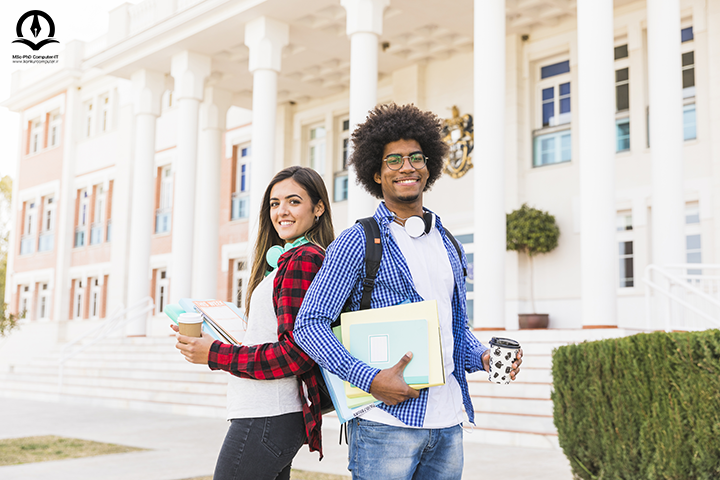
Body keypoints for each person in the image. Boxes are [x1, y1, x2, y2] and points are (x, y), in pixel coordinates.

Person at [294, 103, 523, 480]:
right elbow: (309, 324)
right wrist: (369, 379)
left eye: (416, 157)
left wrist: (483, 356)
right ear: (376, 174)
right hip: (385, 424)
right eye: (394, 160)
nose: (407, 167)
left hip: (449, 421)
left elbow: (453, 327)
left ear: (429, 167)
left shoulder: (448, 242)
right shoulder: (357, 241)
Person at [173, 166, 334, 480]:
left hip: (268, 413)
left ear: (318, 208)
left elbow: (295, 354)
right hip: (270, 413)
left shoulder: (302, 260)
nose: (281, 211)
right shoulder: (289, 260)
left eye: (293, 201)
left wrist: (215, 353)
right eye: (274, 204)